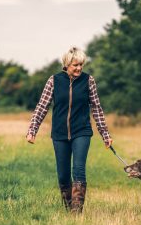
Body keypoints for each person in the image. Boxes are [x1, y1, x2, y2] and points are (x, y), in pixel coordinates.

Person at [26, 47, 113, 213]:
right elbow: (42, 106)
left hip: (81, 131)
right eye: (75, 65)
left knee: (78, 169)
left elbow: (96, 108)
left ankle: (76, 211)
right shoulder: (54, 81)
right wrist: (32, 130)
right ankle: (68, 208)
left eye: (81, 64)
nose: (79, 68)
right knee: (63, 175)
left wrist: (105, 134)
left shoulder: (89, 81)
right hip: (59, 133)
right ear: (66, 65)